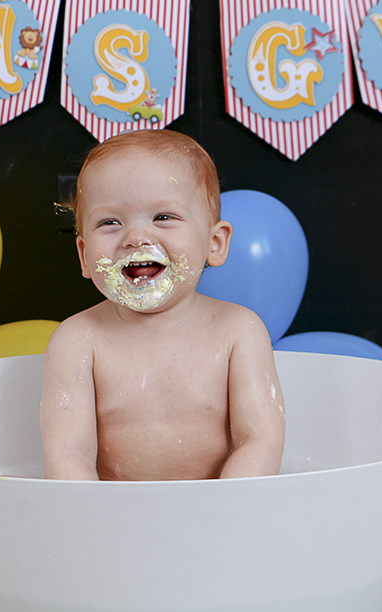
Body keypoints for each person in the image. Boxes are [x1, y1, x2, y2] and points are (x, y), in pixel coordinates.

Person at [40, 130, 286, 480]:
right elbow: (69, 455)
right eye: (110, 222)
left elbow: (260, 441)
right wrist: (91, 512)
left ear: (215, 243)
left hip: (217, 504)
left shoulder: (237, 331)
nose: (136, 237)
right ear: (84, 255)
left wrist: (227, 506)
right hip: (112, 507)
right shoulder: (78, 339)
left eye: (163, 217)